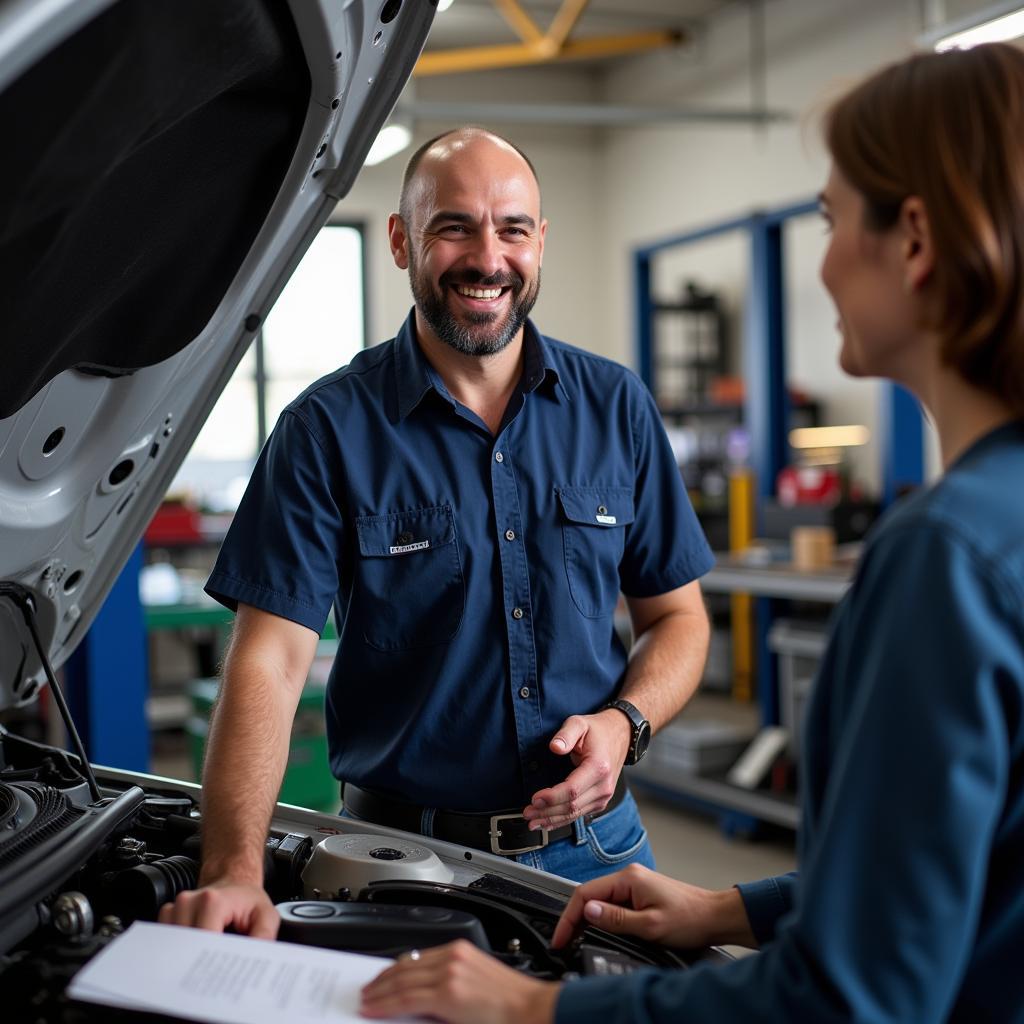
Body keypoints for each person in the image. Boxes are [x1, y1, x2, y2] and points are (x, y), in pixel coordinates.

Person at [357, 42, 1024, 1024]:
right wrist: (733, 906)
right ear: (404, 243)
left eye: (833, 219)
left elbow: (846, 998)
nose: (825, 255)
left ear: (914, 241)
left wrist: (530, 1011)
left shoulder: (947, 560)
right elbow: (963, 868)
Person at [160, 126, 714, 935]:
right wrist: (235, 871)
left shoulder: (616, 408)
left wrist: (624, 723)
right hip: (396, 860)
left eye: (512, 229)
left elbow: (679, 618)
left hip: (599, 852)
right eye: (454, 225)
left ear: (540, 243)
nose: (488, 258)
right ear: (399, 240)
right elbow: (271, 663)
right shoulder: (326, 429)